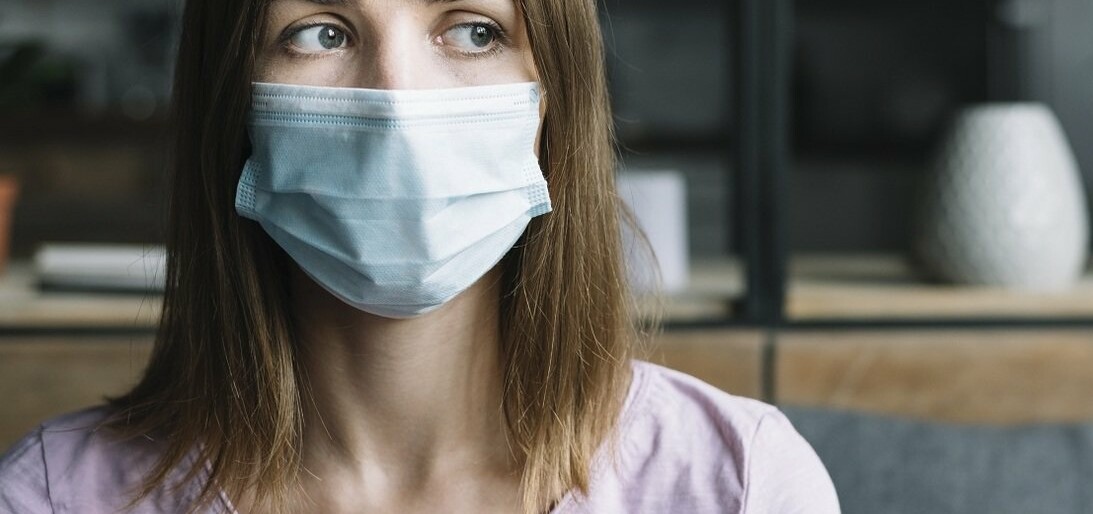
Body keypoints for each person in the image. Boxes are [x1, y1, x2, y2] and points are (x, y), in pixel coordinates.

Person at [0, 0, 838, 512]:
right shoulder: (56, 495)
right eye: (320, 32)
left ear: (555, 101)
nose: (396, 101)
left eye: (473, 31)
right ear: (234, 107)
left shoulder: (739, 484)